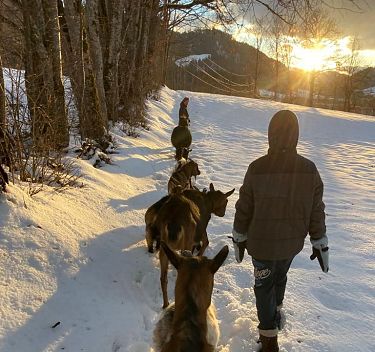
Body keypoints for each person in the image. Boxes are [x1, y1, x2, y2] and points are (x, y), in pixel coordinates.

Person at [231, 110, 329, 352]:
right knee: (280, 276)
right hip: (291, 244)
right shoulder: (309, 169)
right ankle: (275, 312)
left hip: (261, 245)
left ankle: (269, 340)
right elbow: (317, 210)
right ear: (295, 135)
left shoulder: (256, 168)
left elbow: (244, 207)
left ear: (270, 135)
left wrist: (239, 236)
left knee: (263, 285)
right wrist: (319, 241)